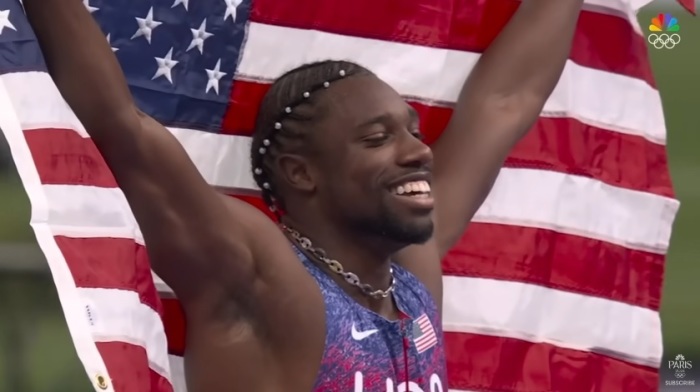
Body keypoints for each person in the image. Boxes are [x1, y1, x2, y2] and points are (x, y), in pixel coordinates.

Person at [25, 0, 584, 390]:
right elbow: (123, 127)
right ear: (301, 173)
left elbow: (508, 98)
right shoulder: (261, 279)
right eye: (377, 138)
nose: (419, 151)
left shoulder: (413, 278)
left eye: (412, 130)